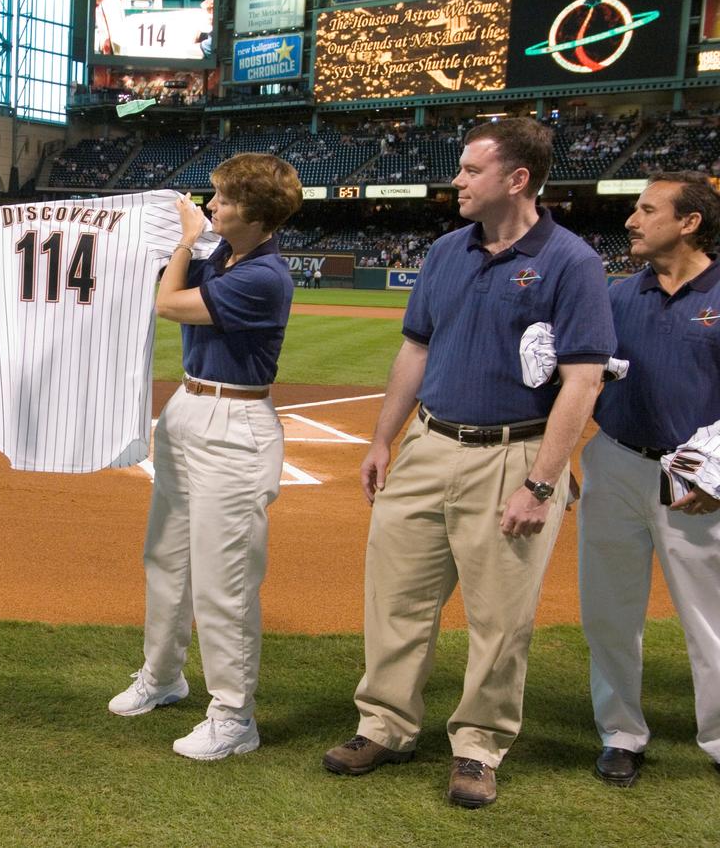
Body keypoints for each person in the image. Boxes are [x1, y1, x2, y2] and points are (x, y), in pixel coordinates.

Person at [321, 118, 616, 807]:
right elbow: (415, 350)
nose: (456, 180)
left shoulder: (571, 262)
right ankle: (385, 725)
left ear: (517, 179)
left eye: (470, 170)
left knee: (499, 619)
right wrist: (381, 439)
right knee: (394, 599)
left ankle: (479, 745)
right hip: (428, 443)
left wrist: (542, 482)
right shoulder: (446, 250)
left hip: (514, 454)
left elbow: (582, 381)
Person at [107, 153, 303, 760]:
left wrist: (188, 242)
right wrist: (190, 240)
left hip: (235, 424)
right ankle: (163, 677)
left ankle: (234, 716)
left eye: (223, 200)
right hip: (189, 408)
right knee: (165, 557)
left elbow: (169, 303)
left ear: (255, 213)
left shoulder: (265, 275)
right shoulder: (231, 255)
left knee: (226, 580)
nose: (211, 206)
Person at [578, 171, 720, 787]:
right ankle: (621, 733)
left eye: (646, 210)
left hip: (694, 472)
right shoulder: (616, 295)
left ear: (689, 222)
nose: (632, 221)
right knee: (609, 610)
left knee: (708, 616)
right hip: (614, 460)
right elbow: (582, 379)